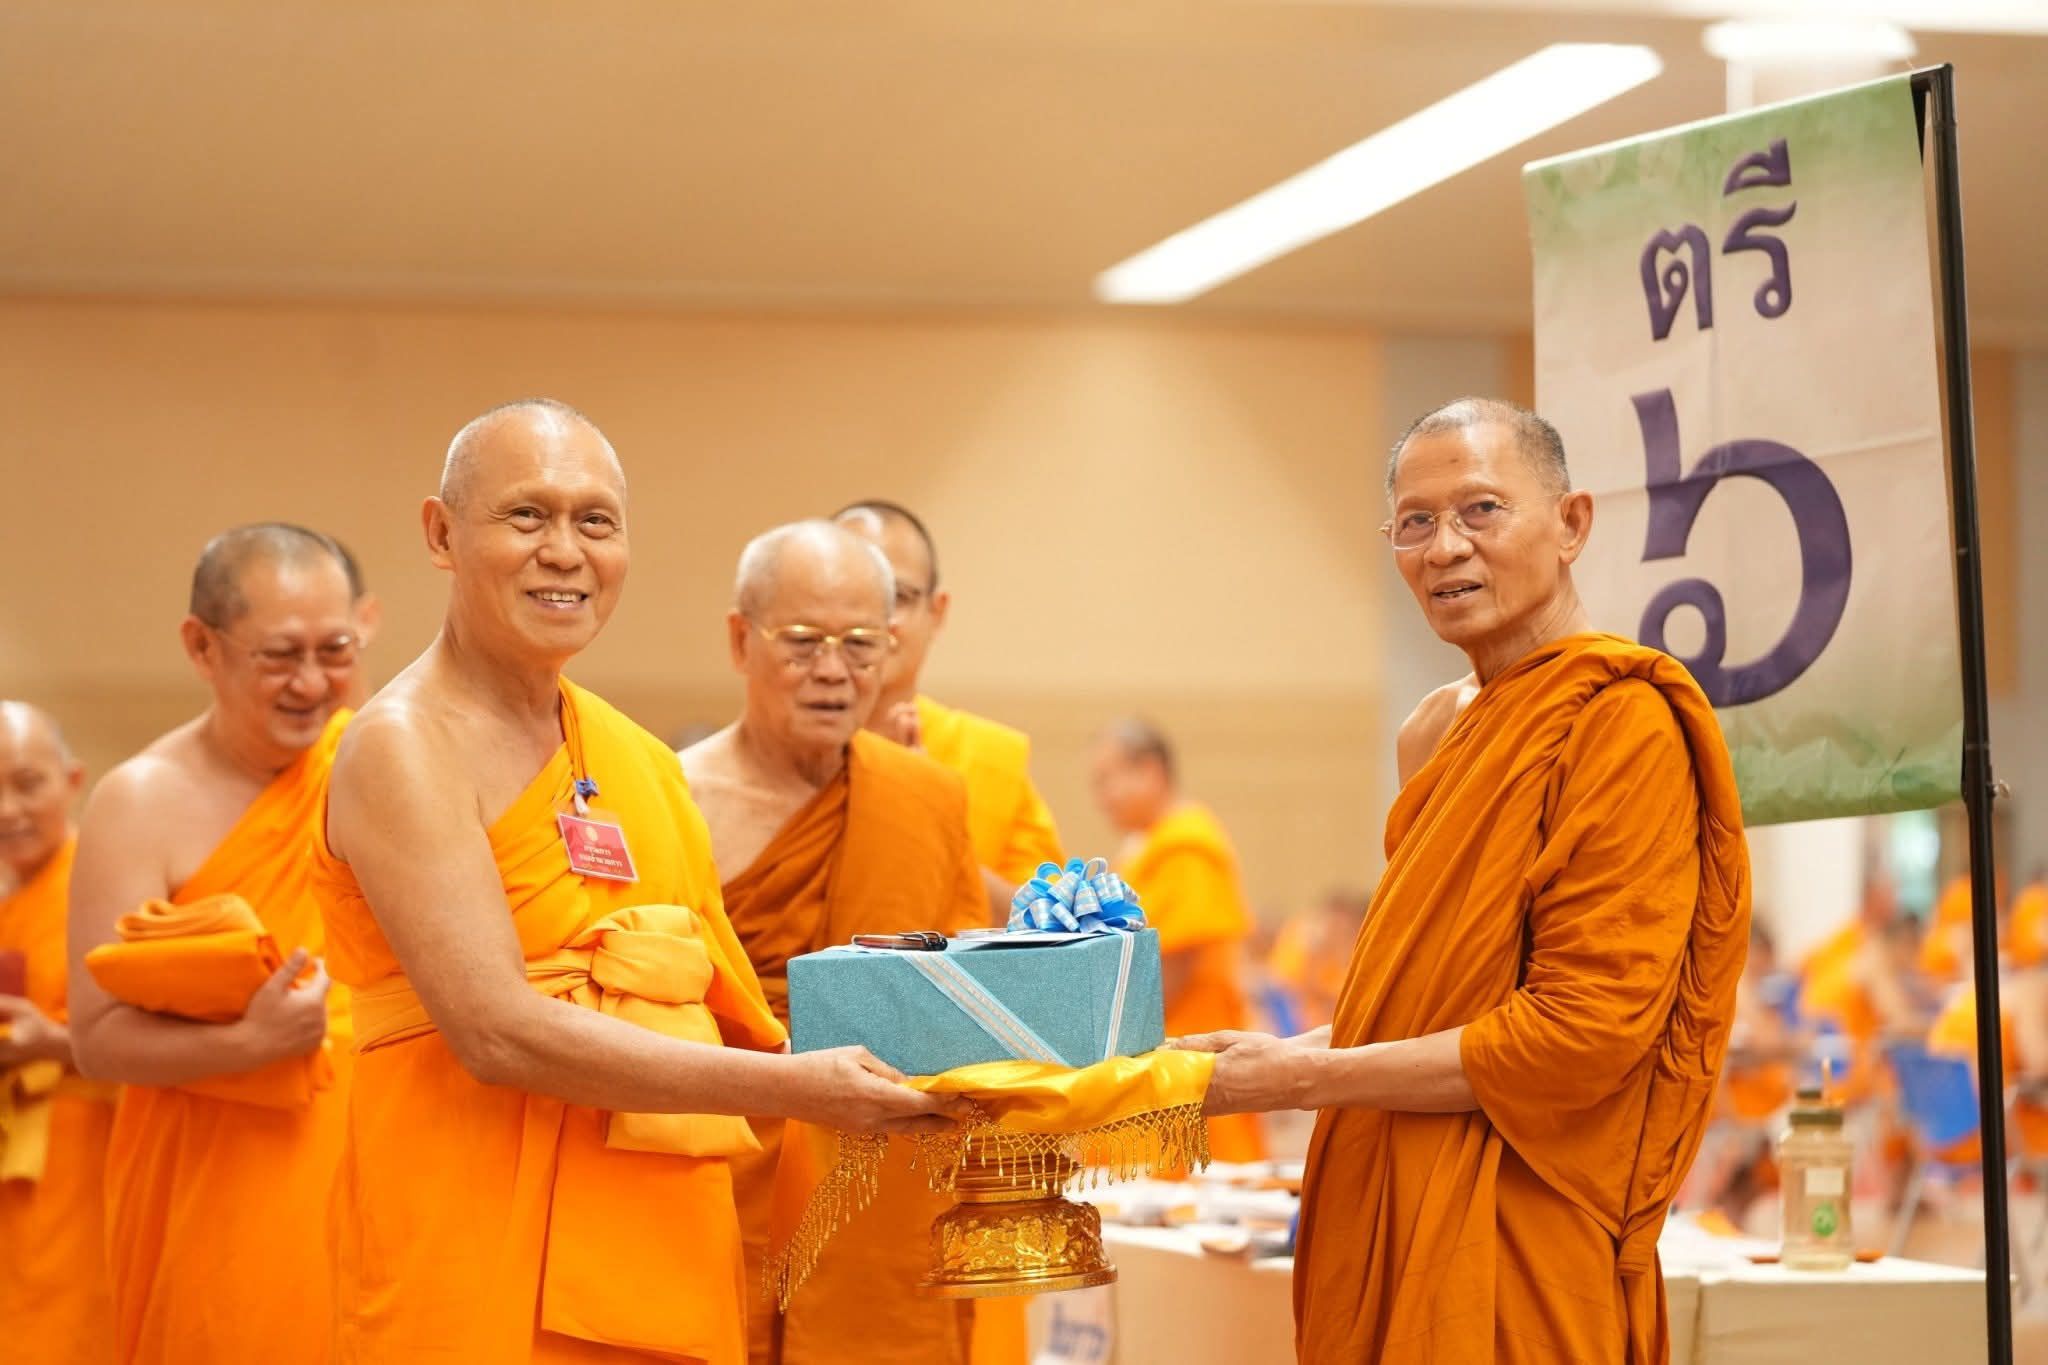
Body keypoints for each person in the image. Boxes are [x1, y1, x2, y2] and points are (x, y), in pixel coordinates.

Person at [313, 400, 955, 1362]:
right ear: (441, 534)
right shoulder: (403, 745)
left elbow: (722, 1004)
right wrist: (796, 1087)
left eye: (595, 521)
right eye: (527, 515)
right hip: (468, 1240)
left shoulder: (635, 760)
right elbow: (495, 1030)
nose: (564, 551)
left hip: (657, 1247)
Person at [1176, 398, 1749, 1362]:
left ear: (1571, 523)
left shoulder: (1622, 722)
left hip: (1522, 1216)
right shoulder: (1432, 731)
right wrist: (1298, 1050)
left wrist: (1306, 1076)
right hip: (1387, 1196)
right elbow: (1440, 1002)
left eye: (1481, 509)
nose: (1445, 547)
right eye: (1415, 522)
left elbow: (1578, 1036)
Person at [682, 520, 985, 1365]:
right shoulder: (674, 800)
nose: (833, 670)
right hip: (716, 1183)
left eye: (860, 644)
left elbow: (970, 1012)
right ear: (741, 639)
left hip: (884, 1201)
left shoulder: (926, 802)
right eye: (803, 640)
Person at [66, 523, 363, 1364]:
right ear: (202, 646)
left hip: (374, 1174)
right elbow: (97, 1038)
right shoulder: (141, 801)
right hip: (214, 1190)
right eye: (280, 655)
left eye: (335, 650)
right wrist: (251, 1044)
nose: (312, 682)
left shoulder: (368, 768)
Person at [835, 500, 1064, 919]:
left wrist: (929, 816)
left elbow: (1048, 926)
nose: (874, 619)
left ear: (936, 612)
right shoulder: (782, 758)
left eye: (897, 596)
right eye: (851, 594)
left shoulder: (990, 757)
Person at [1091, 718, 1265, 1164]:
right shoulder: (1146, 847)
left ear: (1150, 771)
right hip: (1158, 1057)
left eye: (1107, 780)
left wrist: (1109, 1042)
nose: (1101, 798)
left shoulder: (1187, 844)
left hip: (1186, 1057)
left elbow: (1174, 964)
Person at [0, 701, 115, 1363]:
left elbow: (163, 1038)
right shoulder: (11, 900)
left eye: (26, 783)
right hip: (17, 1170)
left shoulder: (104, 884)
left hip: (85, 1168)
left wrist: (51, 1041)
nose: (6, 808)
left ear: (73, 781)